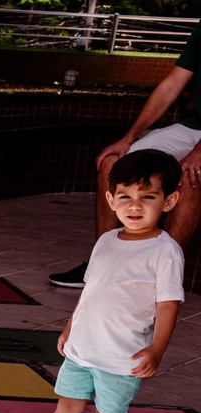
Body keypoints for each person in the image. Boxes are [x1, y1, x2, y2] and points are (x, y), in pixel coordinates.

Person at [0, 149, 185, 413]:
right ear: (111, 199)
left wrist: (157, 349)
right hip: (83, 349)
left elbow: (168, 304)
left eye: (148, 197)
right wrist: (70, 328)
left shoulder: (165, 251)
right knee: (65, 409)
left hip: (122, 357)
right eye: (126, 196)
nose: (135, 206)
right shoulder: (105, 242)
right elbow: (90, 291)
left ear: (170, 200)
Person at [49, 20, 201, 288]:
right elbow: (170, 85)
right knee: (114, 164)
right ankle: (103, 264)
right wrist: (129, 138)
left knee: (190, 178)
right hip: (191, 127)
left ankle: (160, 275)